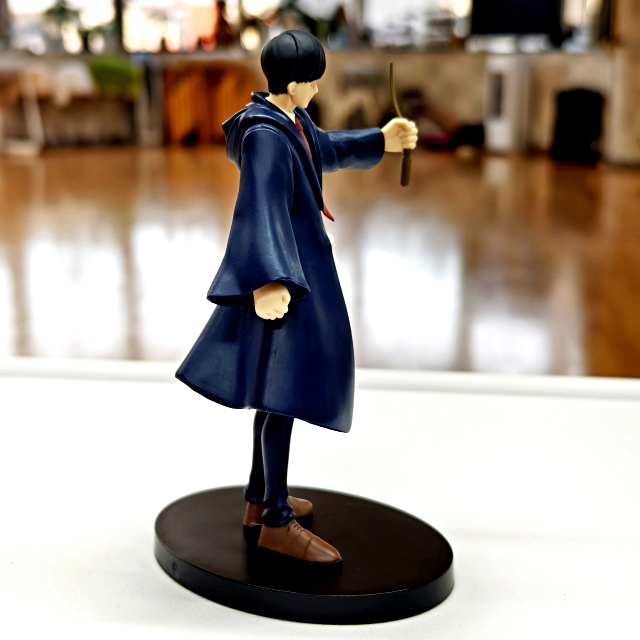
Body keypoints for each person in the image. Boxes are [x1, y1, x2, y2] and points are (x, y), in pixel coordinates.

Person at [176, 30, 417, 563]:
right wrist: (267, 279)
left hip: (301, 267)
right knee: (282, 394)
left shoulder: (293, 120)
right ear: (293, 82)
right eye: (312, 80)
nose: (317, 89)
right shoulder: (266, 135)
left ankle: (259, 499)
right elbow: (258, 207)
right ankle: (276, 521)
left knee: (275, 393)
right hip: (286, 276)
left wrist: (382, 140)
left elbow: (326, 149)